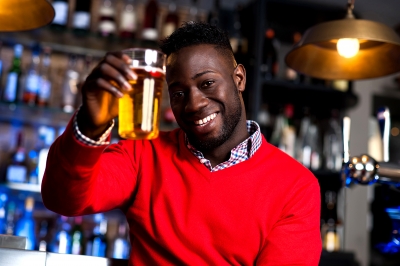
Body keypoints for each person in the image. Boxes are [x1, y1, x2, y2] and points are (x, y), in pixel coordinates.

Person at [42, 21, 322, 265]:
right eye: (178, 93)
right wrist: (91, 124)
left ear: (239, 78)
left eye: (207, 83)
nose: (194, 104)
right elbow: (63, 199)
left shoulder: (296, 187)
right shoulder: (143, 153)